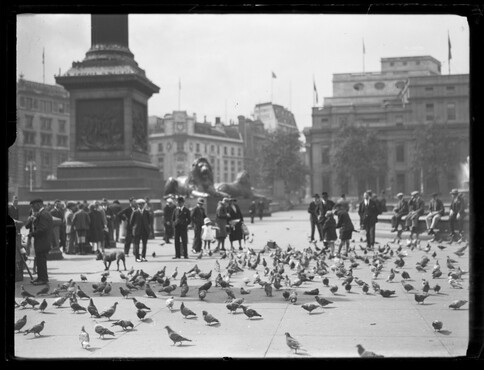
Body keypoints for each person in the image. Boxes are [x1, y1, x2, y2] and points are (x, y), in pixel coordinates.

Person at [25, 199, 53, 285]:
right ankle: (41, 278)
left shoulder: (43, 214)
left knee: (41, 261)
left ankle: (43, 279)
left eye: (33, 206)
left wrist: (32, 234)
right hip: (42, 241)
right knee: (40, 261)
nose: (32, 208)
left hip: (42, 241)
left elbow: (43, 229)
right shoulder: (42, 213)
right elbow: (28, 226)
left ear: (38, 205)